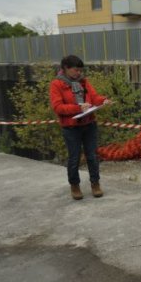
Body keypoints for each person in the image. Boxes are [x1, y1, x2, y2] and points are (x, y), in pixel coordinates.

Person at [49, 55, 110, 200]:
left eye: (80, 70)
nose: (78, 73)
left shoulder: (83, 82)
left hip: (89, 124)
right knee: (74, 157)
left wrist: (103, 100)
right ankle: (74, 185)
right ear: (65, 68)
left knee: (93, 156)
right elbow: (58, 107)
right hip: (71, 128)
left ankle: (95, 183)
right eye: (75, 70)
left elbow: (94, 97)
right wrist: (78, 108)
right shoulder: (56, 84)